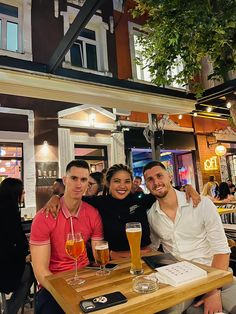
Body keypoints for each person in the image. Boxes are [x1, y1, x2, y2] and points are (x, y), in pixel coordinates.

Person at [45, 163, 200, 260]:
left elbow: (166, 191)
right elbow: (74, 197)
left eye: (127, 181)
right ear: (108, 183)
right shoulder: (99, 202)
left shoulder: (141, 199)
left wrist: (187, 188)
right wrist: (56, 197)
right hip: (115, 262)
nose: (122, 186)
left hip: (147, 258)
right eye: (117, 181)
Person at [143, 161, 236, 314]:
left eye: (159, 175)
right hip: (179, 280)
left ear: (170, 176)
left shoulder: (202, 203)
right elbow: (152, 248)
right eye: (150, 179)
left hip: (214, 273)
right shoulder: (152, 216)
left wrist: (213, 290)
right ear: (147, 185)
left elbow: (221, 250)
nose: (156, 182)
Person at [30, 160, 104, 314]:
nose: (78, 184)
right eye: (74, 178)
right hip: (53, 284)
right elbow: (40, 271)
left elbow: (98, 256)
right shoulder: (44, 217)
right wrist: (66, 292)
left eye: (83, 180)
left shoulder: (93, 213)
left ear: (88, 184)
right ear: (65, 180)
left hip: (86, 277)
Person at [0, 178, 35, 314]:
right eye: (22, 191)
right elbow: (14, 242)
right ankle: (12, 309)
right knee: (31, 273)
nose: (24, 193)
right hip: (6, 268)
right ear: (14, 193)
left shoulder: (6, 209)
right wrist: (24, 255)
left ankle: (14, 304)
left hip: (6, 263)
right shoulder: (8, 212)